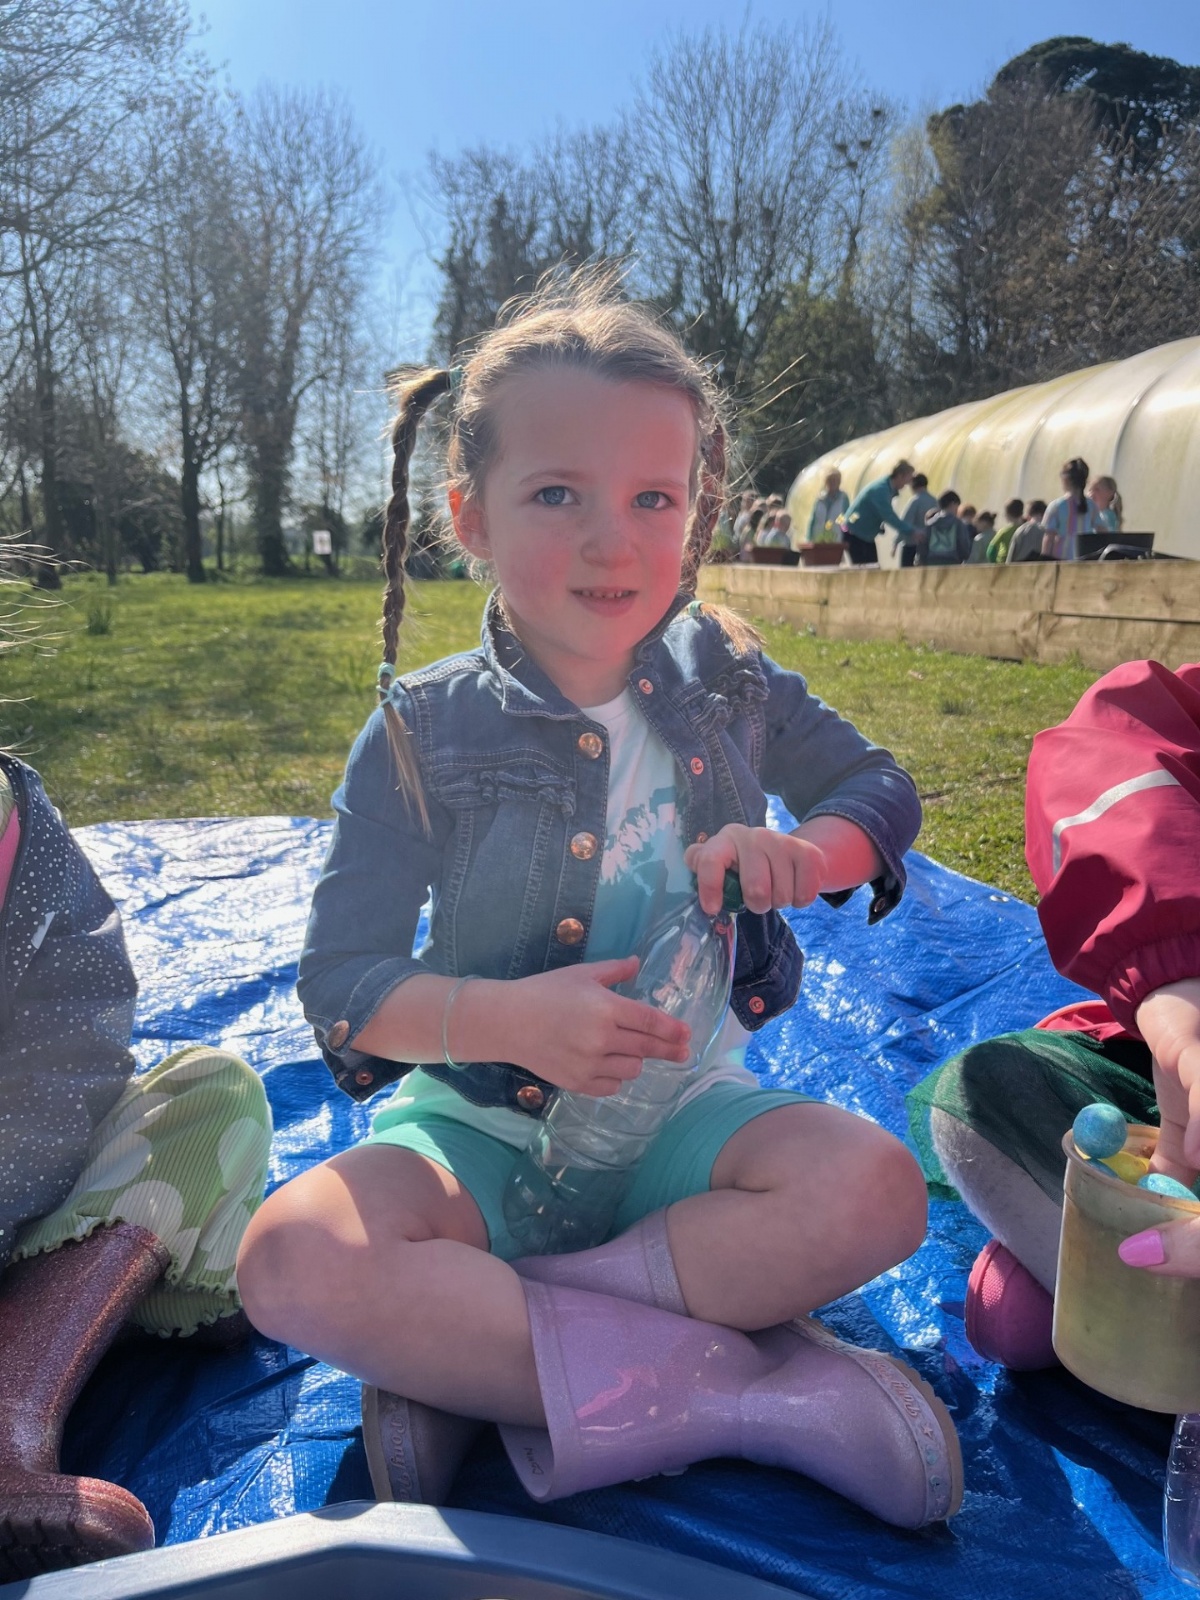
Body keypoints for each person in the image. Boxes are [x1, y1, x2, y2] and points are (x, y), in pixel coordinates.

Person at [235, 273, 962, 1531]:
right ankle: (744, 1389)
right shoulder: (423, 730)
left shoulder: (731, 676)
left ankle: (481, 1351)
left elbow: (875, 787)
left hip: (686, 1129)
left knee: (879, 1190)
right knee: (291, 1257)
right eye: (557, 494)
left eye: (651, 499)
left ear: (697, 510)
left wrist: (811, 853)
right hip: (479, 1135)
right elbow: (344, 986)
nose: (611, 541)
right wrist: (506, 1020)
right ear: (469, 514)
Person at [0, 751, 273, 1578]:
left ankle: (14, 1418)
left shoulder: (15, 824)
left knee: (211, 1091)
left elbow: (75, 1037)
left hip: (23, 1186)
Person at [907, 659, 1200, 1371]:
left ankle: (1110, 1299)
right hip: (1160, 1085)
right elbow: (1120, 745)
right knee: (986, 1091)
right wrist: (1177, 979)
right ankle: (1118, 1294)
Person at [837, 461, 914, 566]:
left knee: (871, 567)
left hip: (865, 534)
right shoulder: (881, 490)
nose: (907, 485)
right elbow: (888, 515)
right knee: (865, 569)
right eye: (907, 480)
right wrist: (910, 531)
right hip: (855, 533)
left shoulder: (887, 487)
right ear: (900, 476)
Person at [1042, 458, 1100, 561]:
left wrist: (1043, 561)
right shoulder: (1092, 506)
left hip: (1061, 561)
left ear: (1065, 479)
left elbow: (1048, 537)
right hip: (1084, 560)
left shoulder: (1056, 506)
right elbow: (1102, 531)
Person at [915, 491, 973, 566]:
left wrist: (923, 561)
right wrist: (963, 557)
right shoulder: (959, 524)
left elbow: (922, 546)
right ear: (953, 504)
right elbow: (963, 545)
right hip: (952, 563)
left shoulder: (929, 524)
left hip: (932, 563)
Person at [897, 474, 937, 568]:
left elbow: (905, 523)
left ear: (913, 485)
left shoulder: (915, 501)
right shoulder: (935, 501)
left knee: (906, 573)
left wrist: (896, 541)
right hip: (929, 546)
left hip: (911, 545)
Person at [807, 469, 849, 544]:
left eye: (835, 480)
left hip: (836, 540)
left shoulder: (843, 499)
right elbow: (813, 520)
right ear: (826, 482)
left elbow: (846, 519)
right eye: (830, 480)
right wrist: (809, 538)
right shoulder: (820, 499)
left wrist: (846, 538)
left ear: (839, 482)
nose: (833, 483)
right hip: (819, 540)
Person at [987, 499, 1027, 564]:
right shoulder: (1026, 530)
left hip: (1004, 564)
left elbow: (991, 550)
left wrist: (996, 563)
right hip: (1021, 563)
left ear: (1007, 514)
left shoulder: (1004, 531)